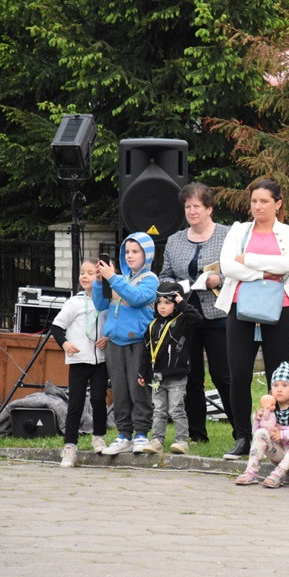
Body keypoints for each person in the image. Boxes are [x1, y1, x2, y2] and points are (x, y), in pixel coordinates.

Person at [218, 177, 289, 460]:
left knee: (277, 378)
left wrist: (248, 260)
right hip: (240, 309)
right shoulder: (238, 230)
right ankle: (242, 436)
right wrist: (267, 272)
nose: (258, 206)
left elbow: (288, 264)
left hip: (280, 309)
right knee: (238, 375)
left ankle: (276, 435)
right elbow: (228, 267)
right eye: (254, 201)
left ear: (278, 204)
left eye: (265, 201)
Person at [159, 182, 232, 443]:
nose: (192, 211)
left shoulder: (227, 235)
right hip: (185, 317)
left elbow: (240, 271)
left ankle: (241, 432)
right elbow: (164, 275)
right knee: (191, 378)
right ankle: (197, 434)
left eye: (197, 206)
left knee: (224, 376)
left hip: (219, 316)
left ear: (209, 209)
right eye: (188, 207)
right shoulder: (175, 240)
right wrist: (174, 288)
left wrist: (219, 280)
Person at [94, 232, 159, 455]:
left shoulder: (150, 279)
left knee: (137, 388)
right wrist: (99, 283)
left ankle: (141, 433)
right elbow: (100, 304)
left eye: (135, 252)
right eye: (127, 252)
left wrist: (113, 278)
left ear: (146, 254)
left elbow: (136, 298)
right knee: (119, 389)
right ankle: (124, 434)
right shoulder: (119, 278)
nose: (130, 256)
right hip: (115, 342)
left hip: (137, 342)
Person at [51, 260, 108, 467]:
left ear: (100, 276)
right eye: (82, 272)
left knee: (99, 399)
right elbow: (56, 327)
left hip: (100, 360)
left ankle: (99, 437)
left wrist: (107, 338)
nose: (84, 276)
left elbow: (112, 325)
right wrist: (65, 344)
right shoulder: (73, 302)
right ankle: (70, 446)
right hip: (79, 360)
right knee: (76, 403)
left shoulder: (107, 301)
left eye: (90, 273)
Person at [137, 283, 202, 455]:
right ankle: (157, 440)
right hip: (157, 378)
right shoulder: (152, 325)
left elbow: (197, 319)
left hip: (176, 377)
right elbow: (147, 351)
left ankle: (182, 441)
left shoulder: (183, 322)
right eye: (159, 302)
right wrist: (143, 371)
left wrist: (182, 303)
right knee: (158, 410)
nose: (162, 306)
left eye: (167, 302)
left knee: (176, 409)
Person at [235, 362, 289, 488]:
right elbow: (256, 434)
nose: (279, 389)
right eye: (275, 385)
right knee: (261, 432)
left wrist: (283, 434)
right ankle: (251, 472)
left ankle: (280, 473)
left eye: (285, 385)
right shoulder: (270, 408)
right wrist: (258, 419)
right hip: (279, 453)